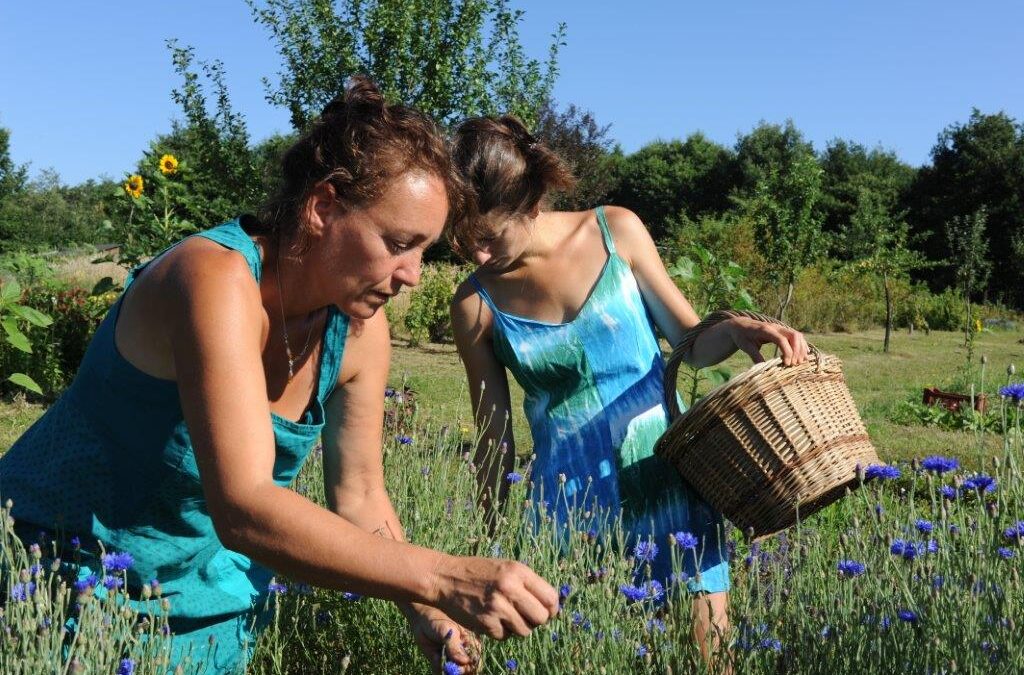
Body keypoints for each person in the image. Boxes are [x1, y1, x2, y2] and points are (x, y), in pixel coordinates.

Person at [0, 81, 560, 675]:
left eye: (423, 252)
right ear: (322, 208)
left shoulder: (360, 333)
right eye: (399, 244)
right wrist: (445, 577)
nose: (413, 276)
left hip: (206, 614)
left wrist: (425, 605)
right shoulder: (213, 278)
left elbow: (361, 495)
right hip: (60, 595)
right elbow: (243, 506)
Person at [448, 115, 810, 659]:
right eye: (463, 241)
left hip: (667, 482)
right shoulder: (475, 305)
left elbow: (691, 344)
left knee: (708, 658)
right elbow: (494, 440)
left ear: (529, 202)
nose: (477, 256)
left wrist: (735, 329)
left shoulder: (614, 231)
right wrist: (487, 544)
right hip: (569, 513)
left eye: (487, 237)